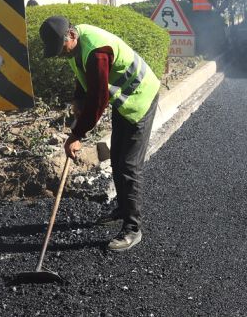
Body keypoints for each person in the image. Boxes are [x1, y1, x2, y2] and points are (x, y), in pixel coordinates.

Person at [39, 16, 159, 252]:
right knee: (117, 159)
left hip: (141, 98)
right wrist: (77, 99)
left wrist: (76, 135)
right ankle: (124, 208)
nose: (61, 55)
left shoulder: (97, 51)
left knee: (128, 165)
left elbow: (98, 98)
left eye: (61, 49)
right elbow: (83, 77)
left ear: (71, 36)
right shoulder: (76, 47)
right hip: (125, 101)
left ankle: (133, 228)